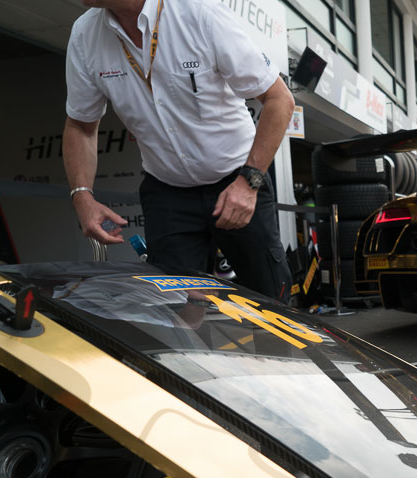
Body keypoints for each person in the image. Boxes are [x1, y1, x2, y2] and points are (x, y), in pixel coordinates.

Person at [63, 0, 296, 303]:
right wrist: (82, 196)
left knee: (270, 303)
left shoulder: (200, 13)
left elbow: (280, 100)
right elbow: (80, 125)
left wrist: (249, 181)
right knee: (177, 310)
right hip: (167, 191)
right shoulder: (84, 35)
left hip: (237, 180)